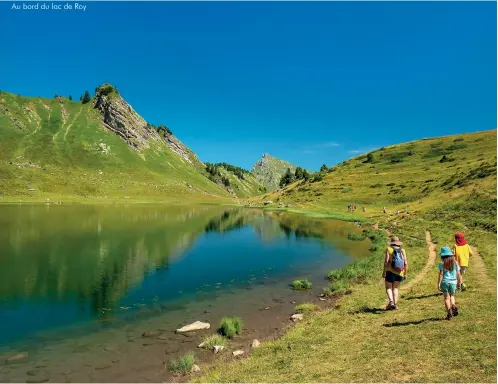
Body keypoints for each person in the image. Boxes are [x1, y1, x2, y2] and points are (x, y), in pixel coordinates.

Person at [382, 237, 408, 310]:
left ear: (391, 243)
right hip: (400, 272)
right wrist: (405, 273)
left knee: (388, 287)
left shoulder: (389, 249)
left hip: (390, 272)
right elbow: (405, 263)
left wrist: (384, 272)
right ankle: (395, 305)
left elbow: (386, 261)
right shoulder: (402, 250)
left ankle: (391, 302)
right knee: (395, 288)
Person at [437, 246, 463, 320]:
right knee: (452, 296)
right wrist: (459, 282)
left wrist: (439, 283)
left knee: (446, 298)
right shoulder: (455, 263)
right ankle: (453, 305)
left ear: (442, 256)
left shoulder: (442, 264)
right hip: (453, 282)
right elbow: (458, 273)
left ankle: (449, 313)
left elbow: (441, 274)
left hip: (445, 282)